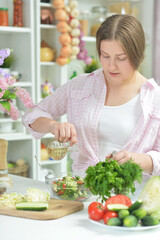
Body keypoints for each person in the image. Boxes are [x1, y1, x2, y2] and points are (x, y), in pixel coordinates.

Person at [23, 14, 160, 177]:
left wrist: (139, 159)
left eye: (121, 58)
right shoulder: (80, 86)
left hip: (133, 197)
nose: (111, 66)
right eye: (105, 56)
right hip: (84, 193)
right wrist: (53, 126)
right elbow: (31, 115)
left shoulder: (155, 99)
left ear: (137, 55)